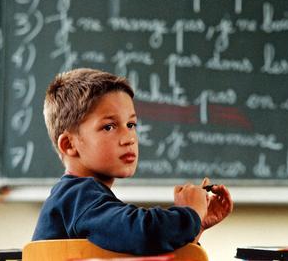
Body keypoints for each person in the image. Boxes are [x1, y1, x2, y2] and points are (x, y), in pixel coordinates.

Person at [32, 68, 233, 255]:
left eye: (131, 124)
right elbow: (145, 234)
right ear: (69, 144)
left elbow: (143, 250)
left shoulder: (84, 200)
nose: (129, 137)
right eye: (109, 127)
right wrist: (188, 214)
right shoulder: (78, 197)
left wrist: (194, 226)